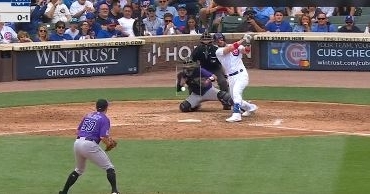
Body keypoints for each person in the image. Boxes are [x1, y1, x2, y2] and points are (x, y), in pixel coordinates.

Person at [59, 99, 120, 194]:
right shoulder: (105, 118)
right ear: (106, 107)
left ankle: (64, 192)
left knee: (79, 170)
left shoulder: (88, 115)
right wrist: (108, 144)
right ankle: (114, 192)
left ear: (96, 106)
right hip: (89, 145)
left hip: (77, 143)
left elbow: (78, 131)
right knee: (109, 167)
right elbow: (102, 136)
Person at [214, 33, 258, 122]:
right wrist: (242, 40)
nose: (220, 41)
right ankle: (251, 107)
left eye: (221, 39)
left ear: (224, 39)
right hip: (231, 77)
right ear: (215, 42)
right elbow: (230, 49)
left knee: (236, 92)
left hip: (241, 75)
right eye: (218, 40)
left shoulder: (236, 45)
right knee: (235, 98)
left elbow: (246, 51)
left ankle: (236, 114)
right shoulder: (218, 51)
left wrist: (248, 42)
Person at [191, 31, 230, 110]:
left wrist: (225, 74)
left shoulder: (216, 49)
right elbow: (192, 62)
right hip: (203, 69)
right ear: (201, 40)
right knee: (193, 82)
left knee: (223, 82)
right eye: (204, 39)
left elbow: (221, 63)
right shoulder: (197, 50)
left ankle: (227, 102)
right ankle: (194, 103)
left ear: (211, 40)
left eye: (208, 39)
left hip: (215, 68)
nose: (206, 41)